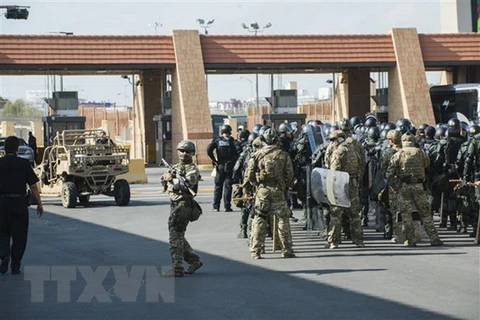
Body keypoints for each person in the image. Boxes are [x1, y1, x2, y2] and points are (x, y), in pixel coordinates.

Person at [246, 128, 295, 259]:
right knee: (282, 220)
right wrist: (285, 185)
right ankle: (286, 250)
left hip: (262, 191)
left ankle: (256, 251)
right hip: (278, 190)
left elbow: (249, 175)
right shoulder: (283, 155)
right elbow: (290, 174)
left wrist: (256, 183)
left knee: (259, 219)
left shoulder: (256, 155)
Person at [386, 134, 443, 247]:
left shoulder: (399, 154)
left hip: (404, 186)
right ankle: (434, 238)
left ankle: (410, 240)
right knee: (425, 213)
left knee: (406, 215)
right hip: (419, 186)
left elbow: (389, 173)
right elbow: (427, 165)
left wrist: (393, 186)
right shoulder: (421, 153)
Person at [0, 136, 44, 275]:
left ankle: (4, 255)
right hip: (19, 204)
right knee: (20, 236)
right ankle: (15, 265)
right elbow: (33, 186)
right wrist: (39, 203)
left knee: (2, 233)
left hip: (2, 204)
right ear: (17, 149)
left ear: (4, 149)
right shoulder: (24, 164)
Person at [160, 140, 203, 277]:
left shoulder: (192, 169)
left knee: (175, 237)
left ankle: (177, 268)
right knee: (178, 235)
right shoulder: (176, 167)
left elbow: (187, 183)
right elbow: (163, 179)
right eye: (181, 151)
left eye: (187, 152)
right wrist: (166, 177)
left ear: (192, 153)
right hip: (175, 204)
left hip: (183, 205)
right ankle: (194, 261)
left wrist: (173, 179)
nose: (184, 154)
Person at [326, 130, 364, 248]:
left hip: (340, 184)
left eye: (334, 140)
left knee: (336, 214)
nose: (332, 143)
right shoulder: (353, 150)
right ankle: (359, 240)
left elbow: (334, 171)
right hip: (352, 183)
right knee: (354, 214)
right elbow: (361, 167)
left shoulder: (338, 152)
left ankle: (333, 241)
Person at [207, 124, 242, 212]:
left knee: (218, 186)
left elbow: (208, 149)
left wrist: (214, 159)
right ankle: (227, 206)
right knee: (228, 187)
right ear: (230, 132)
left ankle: (216, 206)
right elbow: (239, 151)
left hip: (220, 166)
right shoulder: (232, 141)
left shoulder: (217, 140)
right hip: (230, 167)